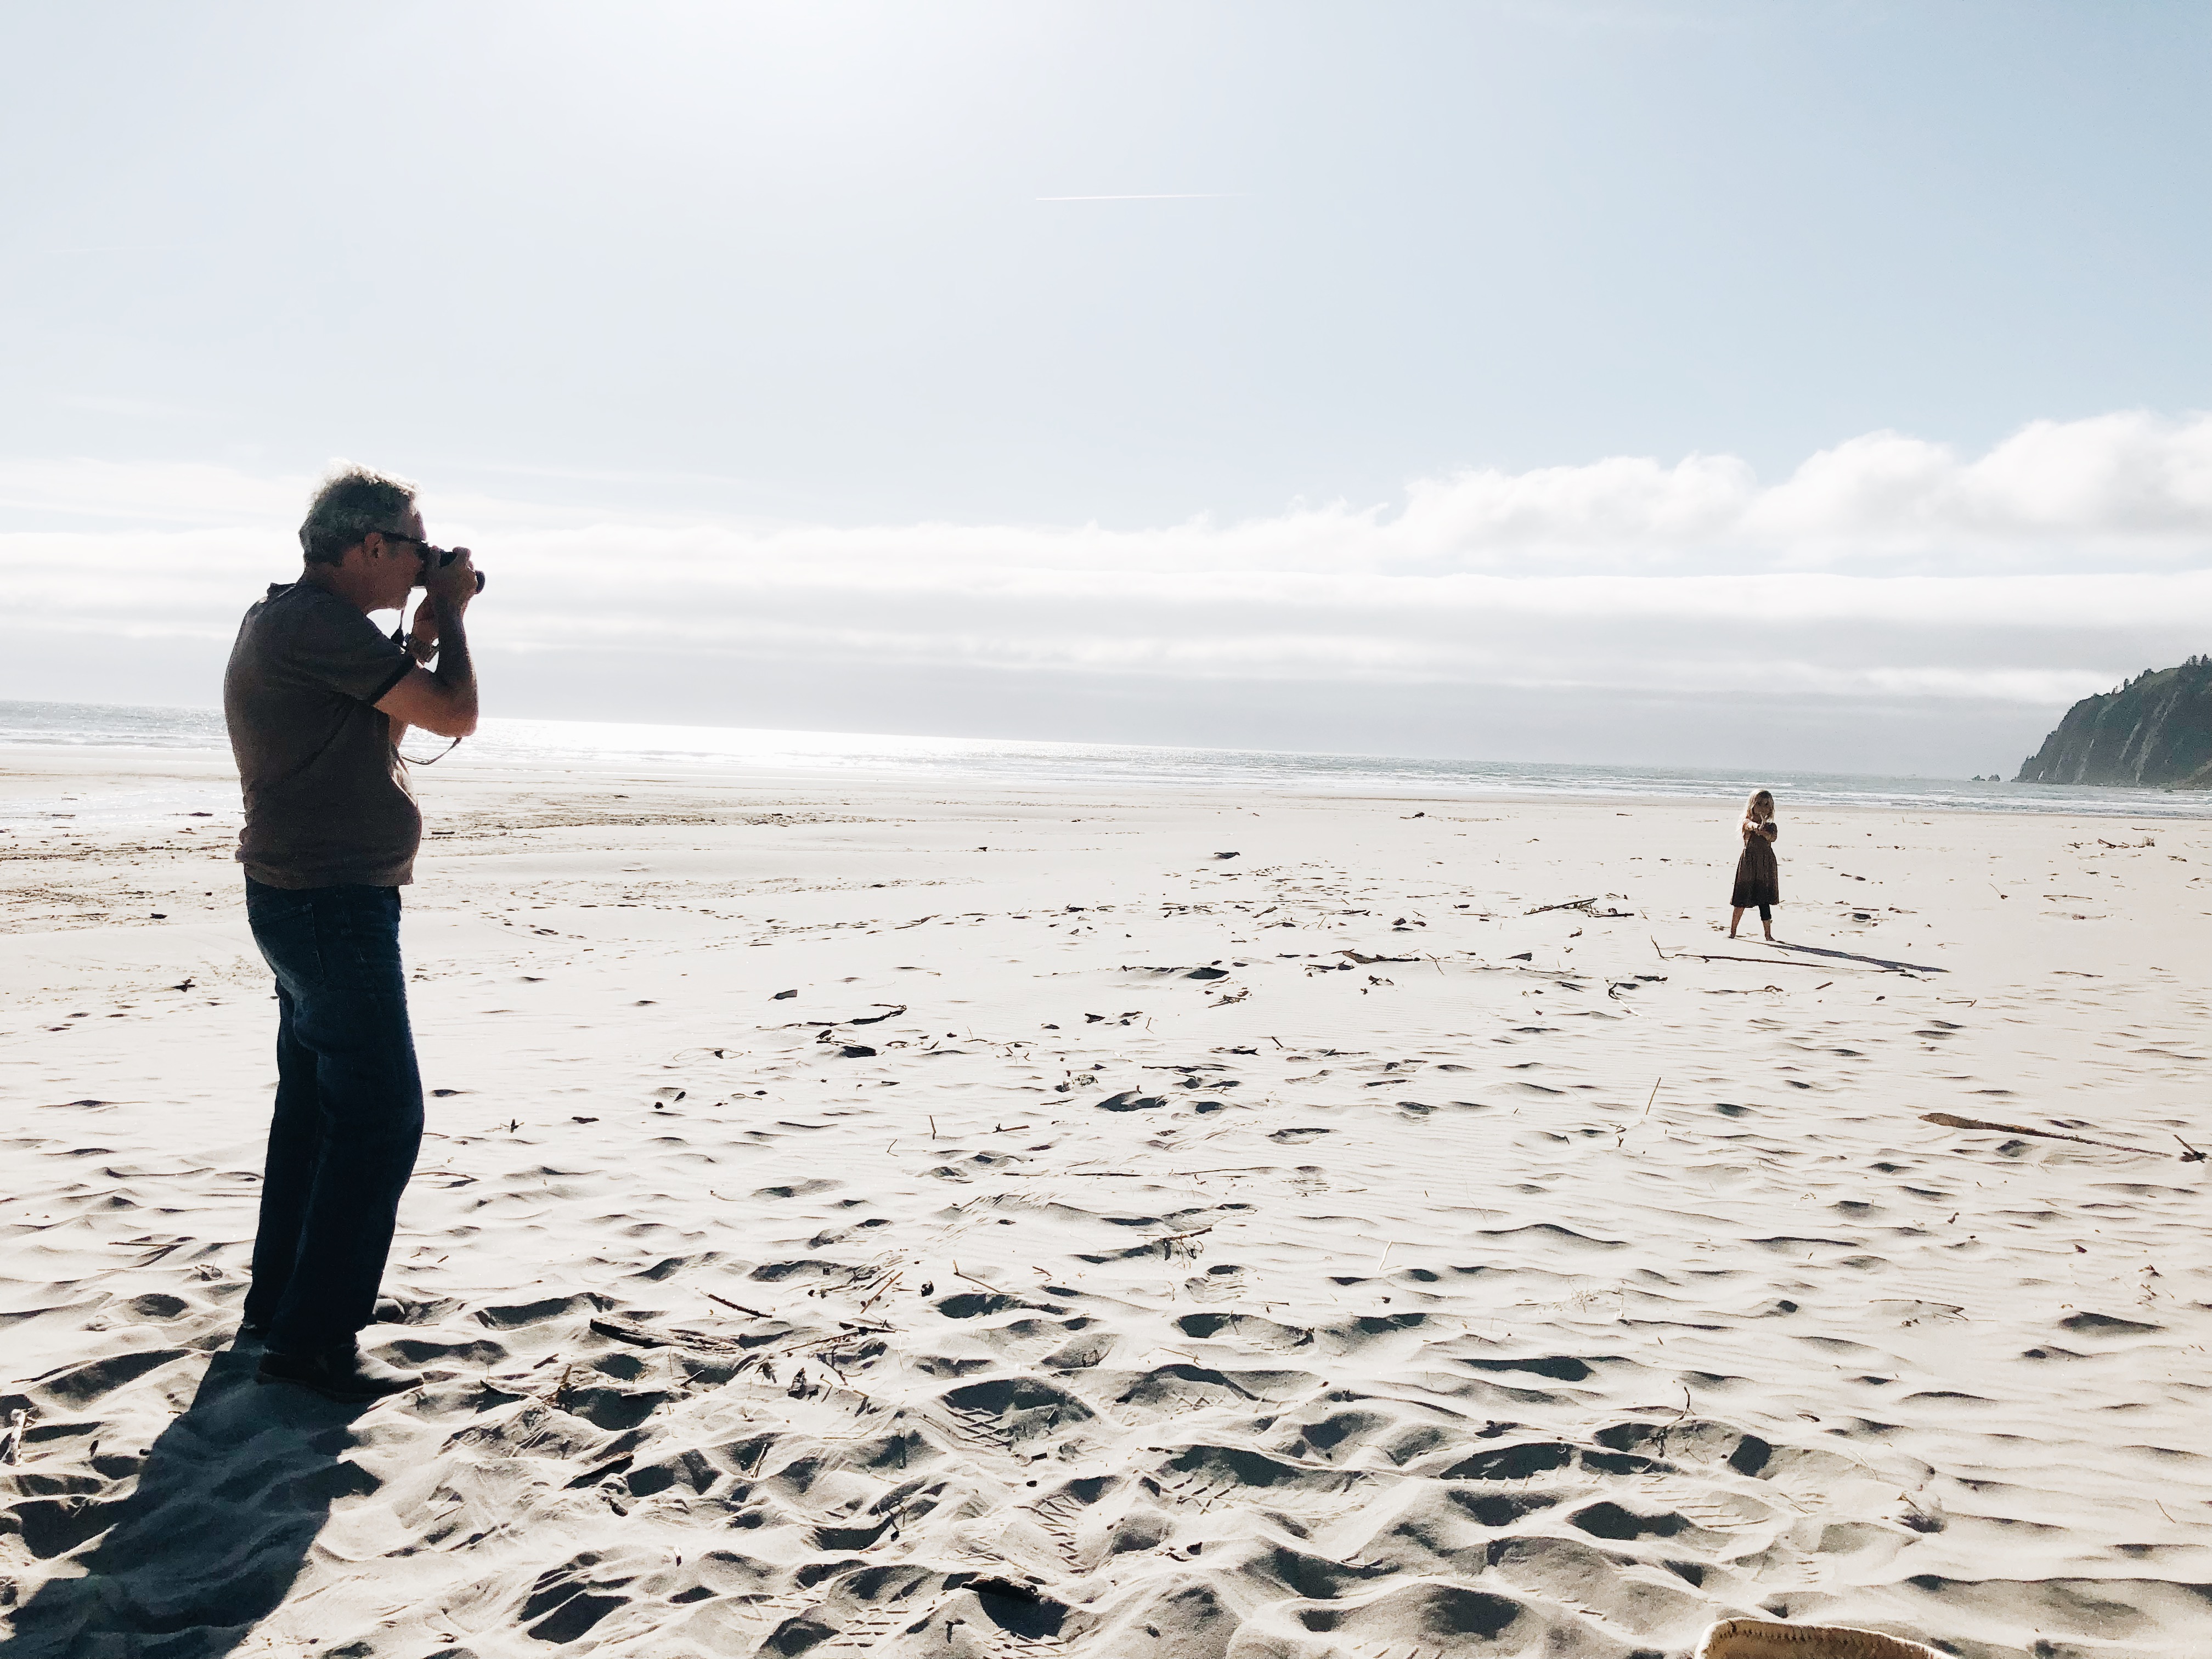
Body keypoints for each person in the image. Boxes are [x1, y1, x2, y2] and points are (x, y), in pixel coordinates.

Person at [222, 465, 481, 1402]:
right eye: (414, 543)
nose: (425, 556)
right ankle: (312, 1340)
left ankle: (282, 1306)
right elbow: (452, 711)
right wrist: (451, 614)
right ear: (369, 544)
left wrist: (417, 622)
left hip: (305, 895)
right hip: (329, 902)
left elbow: (385, 708)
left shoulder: (293, 619)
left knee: (317, 1111)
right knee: (381, 1118)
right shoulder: (318, 627)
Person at [1729, 788, 1781, 941]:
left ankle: (1768, 934)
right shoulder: (1747, 822)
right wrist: (1758, 827)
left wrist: (1765, 830)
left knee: (1764, 899)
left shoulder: (1772, 826)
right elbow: (1750, 826)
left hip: (1766, 863)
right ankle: (1733, 931)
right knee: (1741, 898)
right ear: (1752, 806)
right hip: (1749, 862)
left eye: (1766, 805)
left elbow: (1773, 837)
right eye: (1759, 804)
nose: (1763, 808)